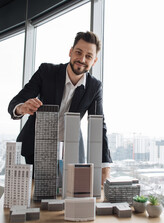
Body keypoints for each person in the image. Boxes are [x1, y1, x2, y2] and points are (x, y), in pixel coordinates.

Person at [8, 31, 112, 183]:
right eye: (78, 52)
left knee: (70, 196)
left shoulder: (94, 87)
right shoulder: (46, 72)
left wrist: (105, 165)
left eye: (88, 56)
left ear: (94, 61)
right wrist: (22, 107)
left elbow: (98, 125)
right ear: (70, 52)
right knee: (36, 195)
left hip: (70, 150)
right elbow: (16, 101)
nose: (82, 59)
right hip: (37, 146)